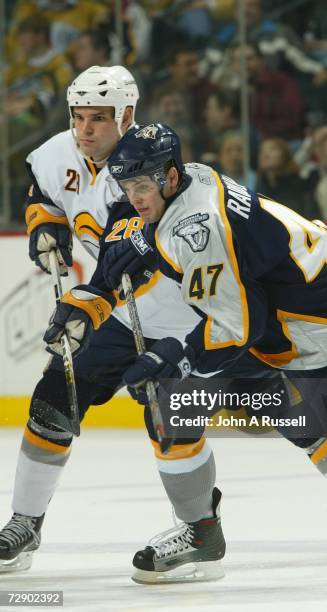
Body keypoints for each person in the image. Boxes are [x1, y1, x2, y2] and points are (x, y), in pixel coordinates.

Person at [101, 122, 327, 517]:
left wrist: (174, 357)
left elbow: (237, 326)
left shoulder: (200, 227)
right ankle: (200, 529)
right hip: (295, 323)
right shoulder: (195, 175)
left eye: (142, 186)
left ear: (170, 175)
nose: (135, 198)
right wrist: (147, 242)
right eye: (127, 189)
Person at [0, 66, 224, 585]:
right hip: (120, 313)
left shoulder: (148, 167)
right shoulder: (60, 151)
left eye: (98, 118)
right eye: (78, 117)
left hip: (187, 318)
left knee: (170, 420)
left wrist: (84, 304)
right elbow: (42, 190)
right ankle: (24, 525)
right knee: (53, 397)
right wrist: (45, 227)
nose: (85, 129)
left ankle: (199, 532)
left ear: (126, 116)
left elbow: (129, 258)